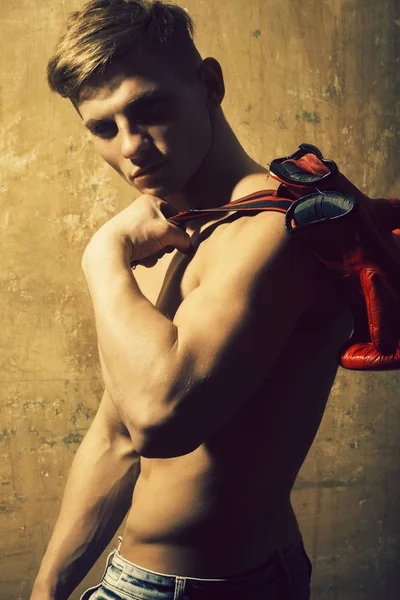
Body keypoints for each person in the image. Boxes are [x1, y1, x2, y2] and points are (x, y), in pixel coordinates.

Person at [30, 1, 352, 599]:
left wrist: (100, 254)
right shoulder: (167, 233)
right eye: (103, 128)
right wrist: (47, 589)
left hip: (217, 586)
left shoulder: (276, 230)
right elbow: (116, 435)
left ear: (210, 83)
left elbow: (160, 420)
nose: (130, 147)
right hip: (140, 580)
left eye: (149, 108)